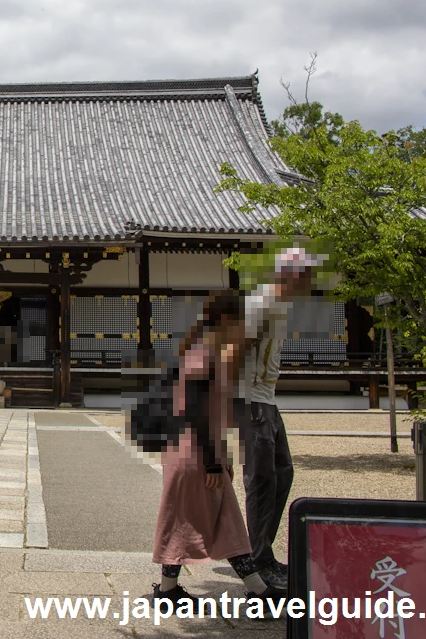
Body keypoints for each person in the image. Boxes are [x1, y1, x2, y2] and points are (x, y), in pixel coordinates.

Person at [151, 293, 282, 610]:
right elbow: (196, 411)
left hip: (193, 450)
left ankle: (171, 590)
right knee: (215, 518)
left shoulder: (203, 351)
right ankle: (258, 591)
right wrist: (212, 462)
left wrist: (221, 458)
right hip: (195, 452)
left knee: (209, 519)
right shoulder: (204, 354)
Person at [240, 247, 319, 589]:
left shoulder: (279, 307)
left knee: (282, 472)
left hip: (267, 399)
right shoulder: (260, 305)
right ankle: (259, 560)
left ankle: (263, 551)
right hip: (252, 400)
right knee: (261, 479)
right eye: (304, 275)